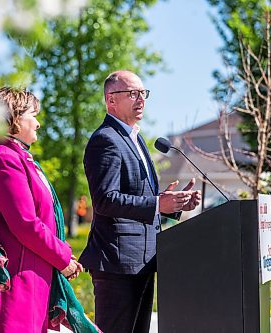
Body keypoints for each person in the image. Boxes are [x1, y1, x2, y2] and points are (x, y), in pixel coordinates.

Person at [0, 87, 98, 333]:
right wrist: (62, 256)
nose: (37, 123)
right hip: (14, 273)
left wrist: (60, 256)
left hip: (29, 268)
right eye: (32, 115)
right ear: (12, 118)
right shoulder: (1, 158)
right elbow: (25, 223)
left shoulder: (16, 156)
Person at [79, 70, 201, 333]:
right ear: (111, 100)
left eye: (143, 94)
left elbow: (139, 197)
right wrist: (158, 204)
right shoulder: (105, 140)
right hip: (118, 264)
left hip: (143, 260)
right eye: (132, 94)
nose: (141, 100)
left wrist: (173, 203)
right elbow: (105, 200)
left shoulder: (135, 139)